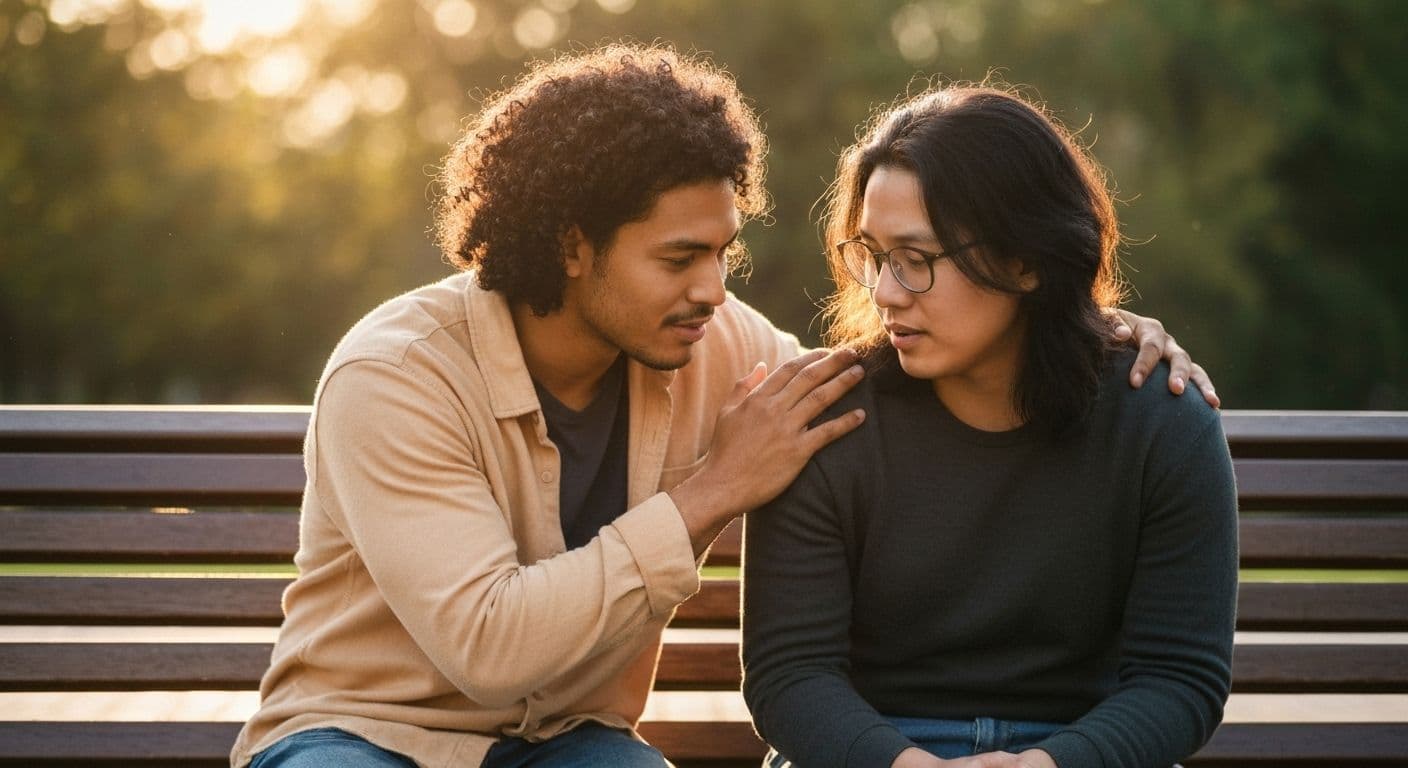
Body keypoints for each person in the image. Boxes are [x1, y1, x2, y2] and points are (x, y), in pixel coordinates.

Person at [232, 46, 1214, 768]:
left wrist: (1103, 324)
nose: (713, 289)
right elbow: (491, 649)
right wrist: (711, 493)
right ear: (572, 243)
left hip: (568, 747)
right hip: (361, 735)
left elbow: (897, 371)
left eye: (722, 252)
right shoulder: (397, 375)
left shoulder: (712, 339)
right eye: (677, 257)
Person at [741, 85, 1238, 768]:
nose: (885, 290)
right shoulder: (829, 418)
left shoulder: (1160, 422)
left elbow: (1179, 682)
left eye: (916, 259)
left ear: (1026, 260)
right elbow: (791, 676)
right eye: (875, 255)